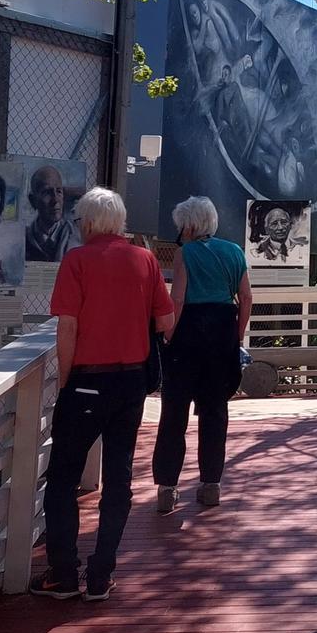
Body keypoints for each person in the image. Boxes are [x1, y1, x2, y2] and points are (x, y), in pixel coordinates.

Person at [31, 188, 174, 602]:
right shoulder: (144, 259)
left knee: (62, 478)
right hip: (131, 383)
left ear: (89, 222)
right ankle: (101, 574)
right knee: (118, 478)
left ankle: (63, 572)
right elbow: (165, 320)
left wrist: (64, 381)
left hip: (86, 381)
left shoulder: (76, 261)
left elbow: (68, 328)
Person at [153, 196, 252, 514]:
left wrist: (167, 335)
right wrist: (236, 335)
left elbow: (178, 298)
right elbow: (247, 297)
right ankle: (211, 484)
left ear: (191, 225)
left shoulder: (186, 253)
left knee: (174, 413)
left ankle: (168, 487)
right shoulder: (234, 251)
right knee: (214, 412)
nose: (179, 232)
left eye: (181, 225)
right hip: (223, 332)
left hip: (189, 334)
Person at [25, 165, 78, 262]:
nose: (55, 200)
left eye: (58, 191)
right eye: (47, 193)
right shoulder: (24, 239)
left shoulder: (75, 236)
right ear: (33, 200)